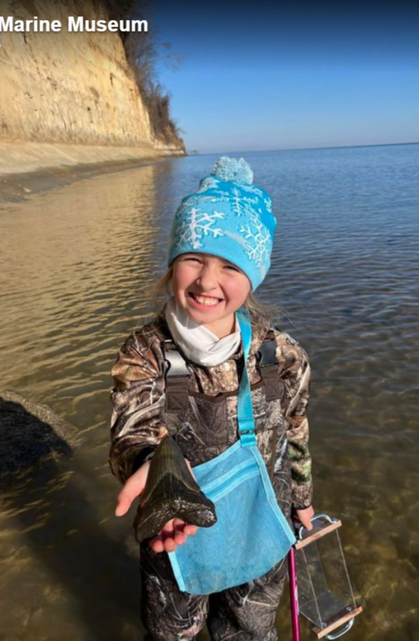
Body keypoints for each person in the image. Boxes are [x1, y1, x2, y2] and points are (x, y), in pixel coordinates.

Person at [108, 157, 316, 640]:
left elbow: (297, 429)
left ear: (254, 274)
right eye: (193, 259)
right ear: (172, 263)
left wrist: (303, 502)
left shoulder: (280, 355)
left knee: (249, 627)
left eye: (229, 265)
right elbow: (131, 431)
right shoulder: (145, 352)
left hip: (261, 522)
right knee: (173, 630)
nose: (206, 281)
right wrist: (155, 472)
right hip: (175, 527)